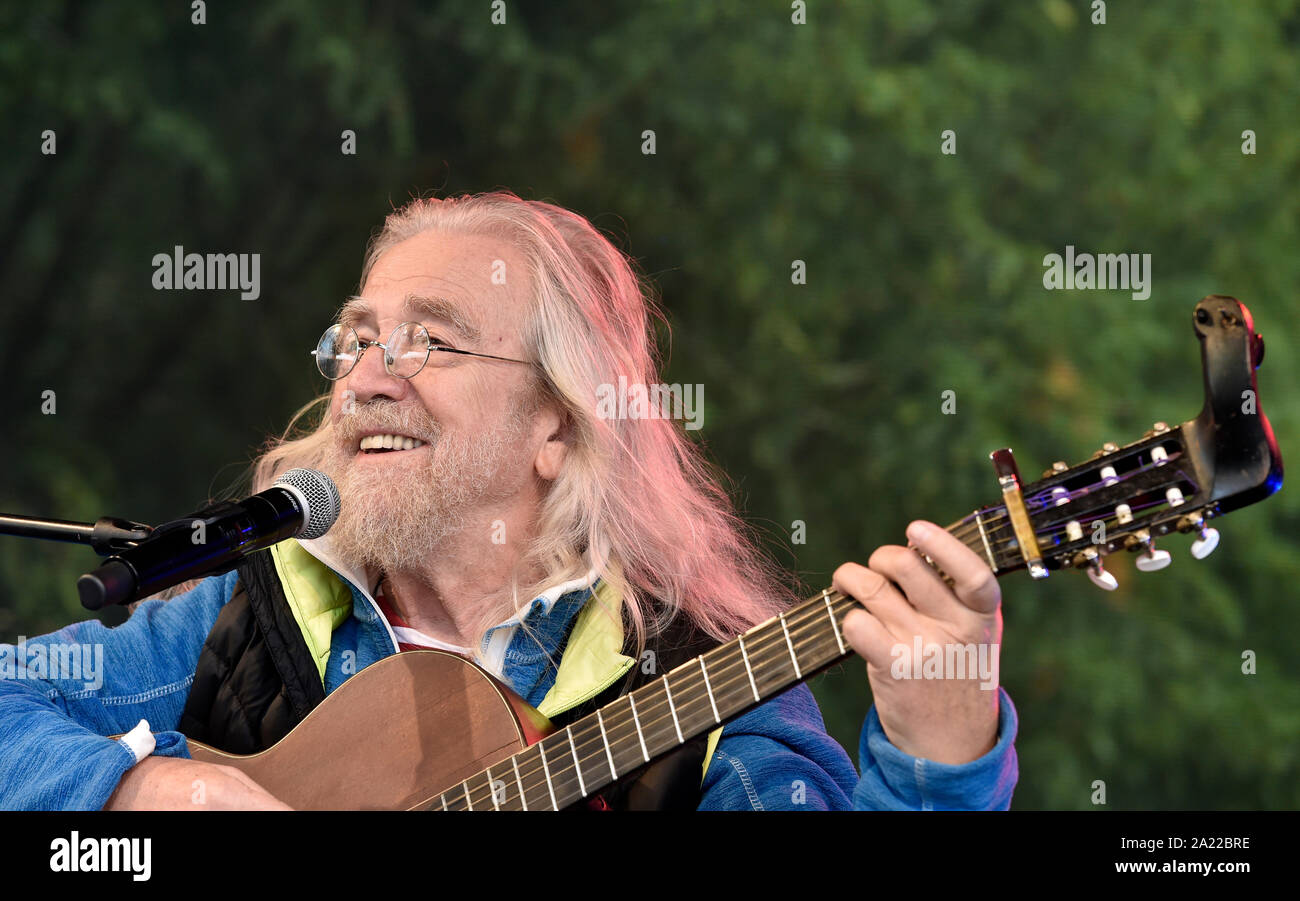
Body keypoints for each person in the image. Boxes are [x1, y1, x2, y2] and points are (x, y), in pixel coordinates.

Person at [0, 191, 1017, 810]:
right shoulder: (247, 622)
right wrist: (138, 788)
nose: (364, 379)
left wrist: (940, 753)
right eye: (356, 339)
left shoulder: (717, 688)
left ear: (558, 424)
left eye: (429, 341)